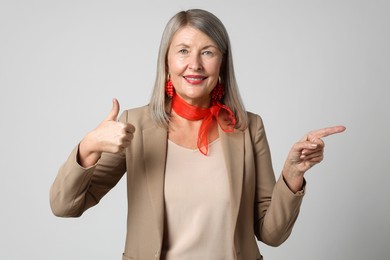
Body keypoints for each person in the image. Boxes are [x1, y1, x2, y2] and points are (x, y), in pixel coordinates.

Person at [50, 9, 345, 260]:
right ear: (167, 63)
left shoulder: (248, 128)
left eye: (207, 52)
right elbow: (65, 206)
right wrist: (88, 147)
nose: (195, 64)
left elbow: (272, 233)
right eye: (183, 51)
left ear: (222, 64)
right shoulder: (135, 126)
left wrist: (293, 173)